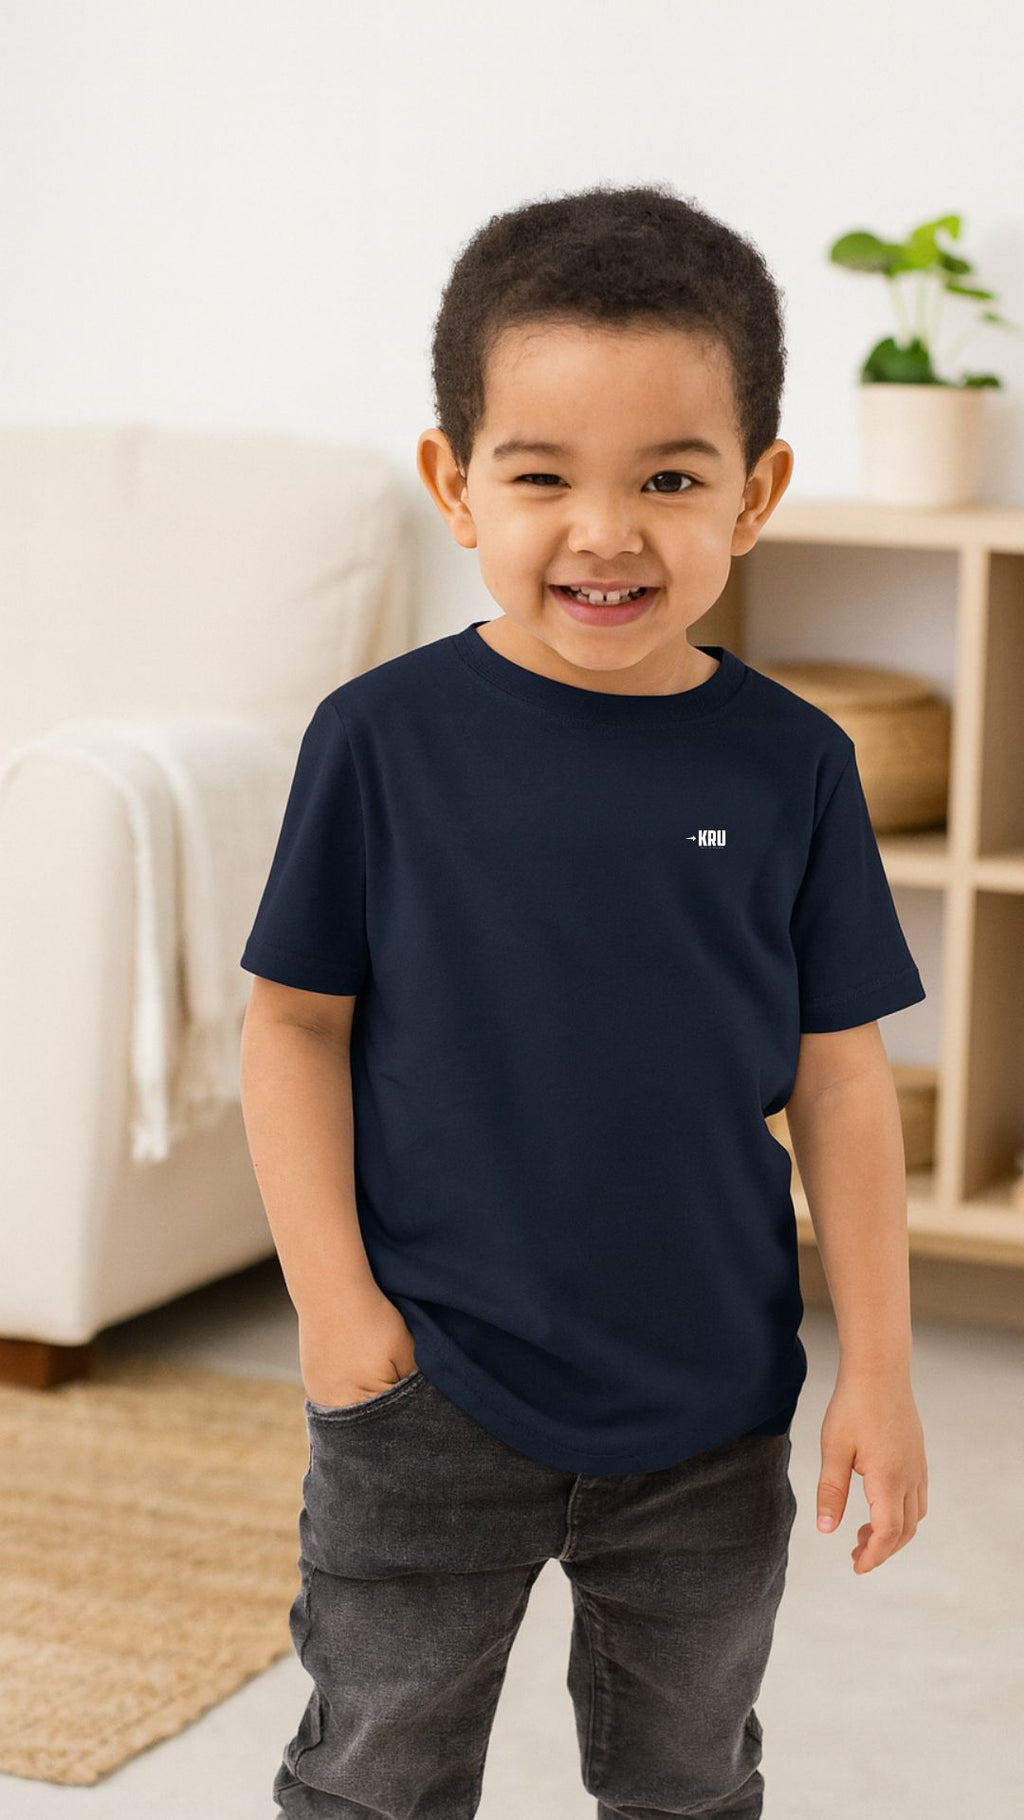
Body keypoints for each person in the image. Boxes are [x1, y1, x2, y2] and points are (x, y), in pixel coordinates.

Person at [239, 181, 929, 1819]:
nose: (605, 531)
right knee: (374, 1783)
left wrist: (883, 1369)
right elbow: (293, 1027)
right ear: (454, 484)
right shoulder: (378, 742)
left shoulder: (794, 766)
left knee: (688, 1783)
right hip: (423, 1393)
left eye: (669, 479)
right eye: (542, 475)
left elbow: (841, 1082)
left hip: (710, 1412)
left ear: (755, 494)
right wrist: (340, 1322)